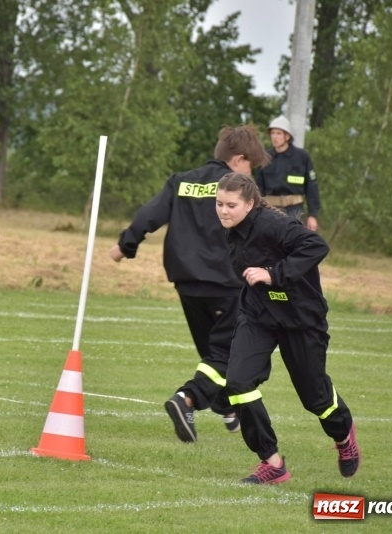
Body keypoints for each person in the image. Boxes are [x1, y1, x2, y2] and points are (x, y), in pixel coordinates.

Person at [109, 125, 271, 443]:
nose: (251, 173)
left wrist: (126, 245)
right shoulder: (238, 190)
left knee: (214, 353)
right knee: (231, 353)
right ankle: (188, 399)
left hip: (186, 282)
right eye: (251, 164)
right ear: (238, 160)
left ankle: (225, 405)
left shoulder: (181, 181)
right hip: (226, 282)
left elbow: (150, 214)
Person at [215, 172, 360, 484]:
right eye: (219, 204)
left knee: (315, 398)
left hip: (301, 318)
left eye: (231, 205)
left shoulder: (273, 224)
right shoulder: (232, 232)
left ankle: (343, 433)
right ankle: (272, 463)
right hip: (258, 315)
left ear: (249, 204)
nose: (223, 211)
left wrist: (273, 273)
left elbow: (316, 246)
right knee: (239, 382)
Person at [255, 115, 321, 231]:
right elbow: (258, 188)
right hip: (270, 210)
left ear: (287, 136)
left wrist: (313, 215)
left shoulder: (302, 157)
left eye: (278, 133)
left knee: (293, 245)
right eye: (273, 133)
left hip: (294, 211)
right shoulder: (265, 158)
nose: (274, 137)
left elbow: (312, 187)